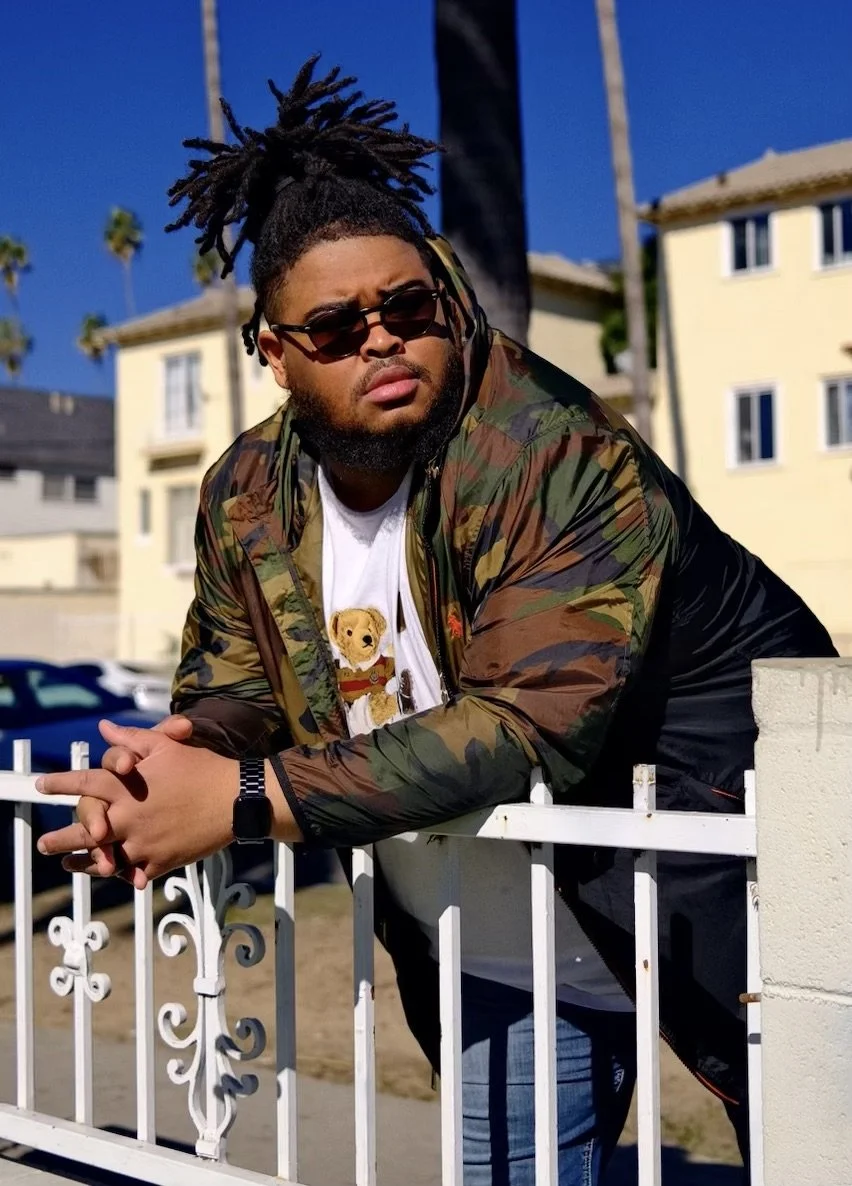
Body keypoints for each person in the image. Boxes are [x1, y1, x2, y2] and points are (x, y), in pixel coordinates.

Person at [38, 57, 836, 1185]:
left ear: (447, 297)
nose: (382, 337)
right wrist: (187, 752)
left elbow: (523, 725)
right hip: (487, 944)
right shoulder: (248, 494)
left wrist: (249, 798)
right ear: (270, 351)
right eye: (334, 325)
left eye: (408, 306)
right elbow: (238, 681)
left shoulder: (553, 451)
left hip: (726, 907)